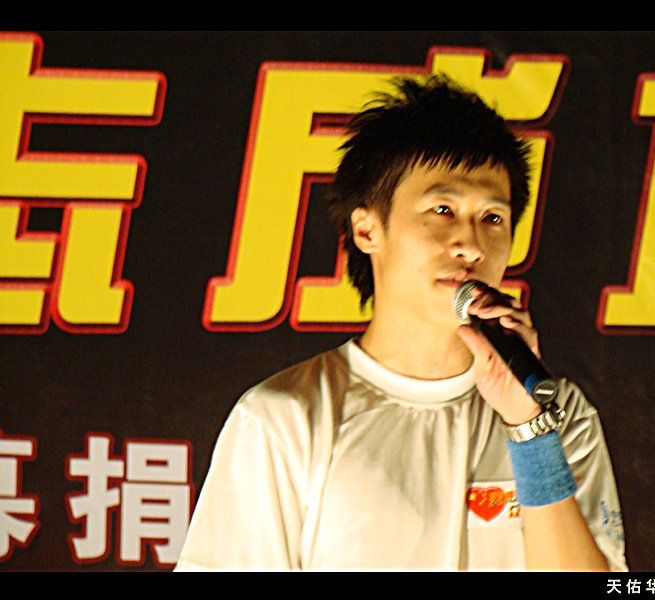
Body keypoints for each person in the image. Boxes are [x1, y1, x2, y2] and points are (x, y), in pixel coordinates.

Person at [175, 75, 627, 571]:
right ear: (367, 229)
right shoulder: (284, 420)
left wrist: (530, 430)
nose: (470, 245)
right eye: (443, 209)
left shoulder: (559, 415)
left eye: (492, 218)